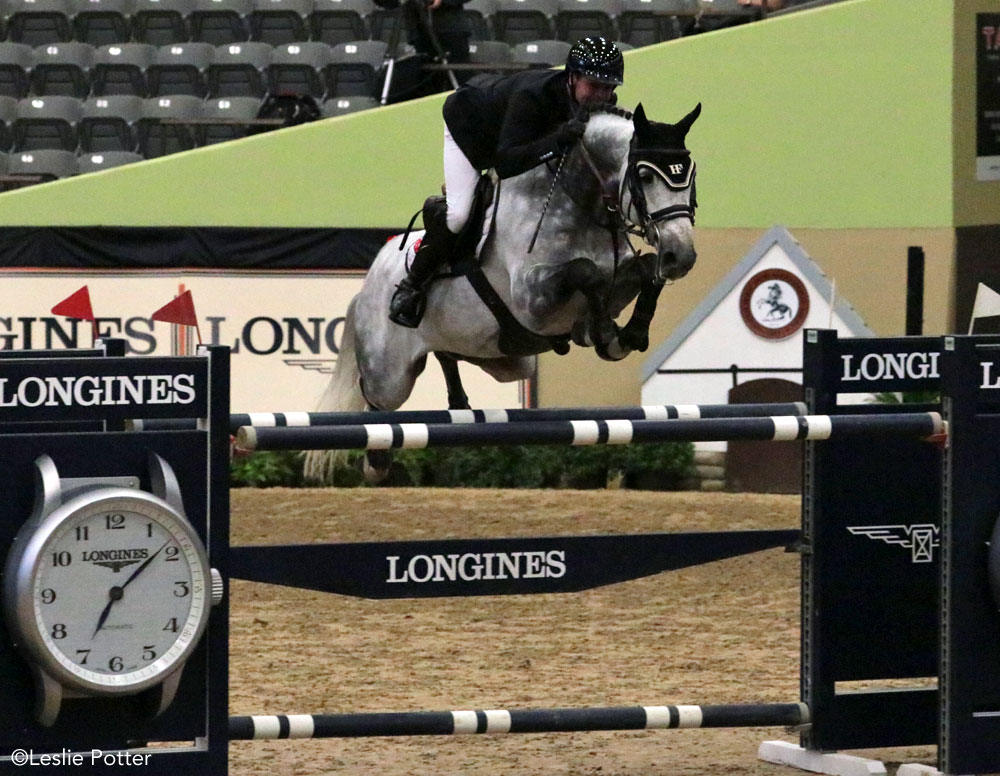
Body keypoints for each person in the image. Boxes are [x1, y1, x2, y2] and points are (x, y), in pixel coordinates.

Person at [388, 36, 625, 328]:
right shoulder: (533, 96)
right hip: (471, 129)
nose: (602, 95)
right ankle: (412, 284)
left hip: (518, 136)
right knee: (460, 213)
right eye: (595, 85)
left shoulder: (598, 101)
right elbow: (506, 163)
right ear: (573, 77)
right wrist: (559, 140)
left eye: (608, 87)